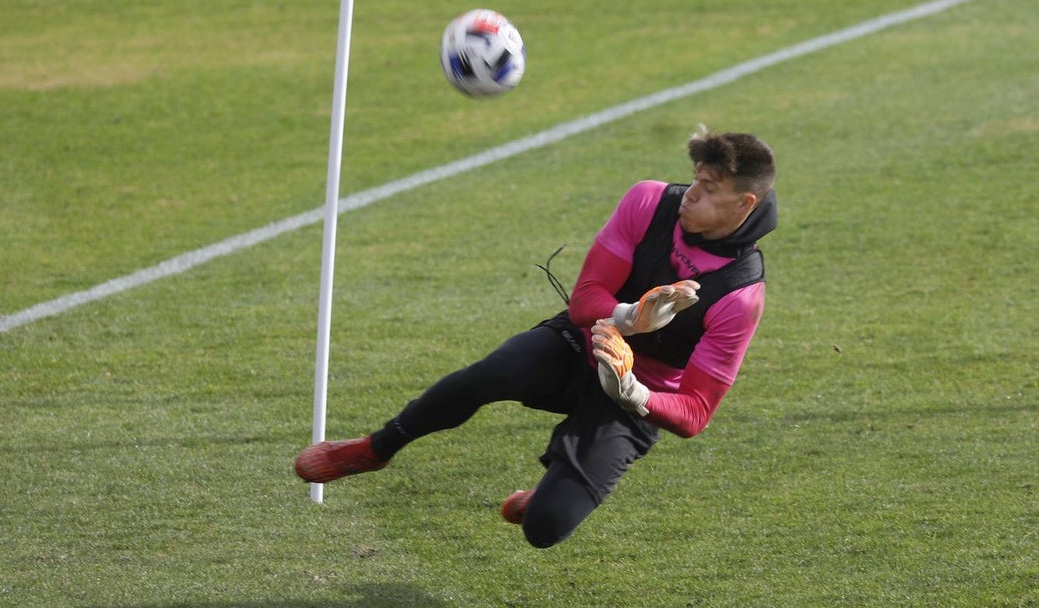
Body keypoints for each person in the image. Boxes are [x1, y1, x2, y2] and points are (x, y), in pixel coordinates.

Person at [294, 125, 777, 549]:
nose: (691, 193)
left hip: (635, 398)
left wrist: (631, 390)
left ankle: (543, 498)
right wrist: (628, 318)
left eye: (708, 188)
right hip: (581, 342)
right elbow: (586, 299)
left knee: (544, 529)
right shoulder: (650, 201)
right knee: (491, 373)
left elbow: (695, 413)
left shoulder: (740, 295)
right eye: (694, 178)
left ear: (744, 203)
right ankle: (374, 449)